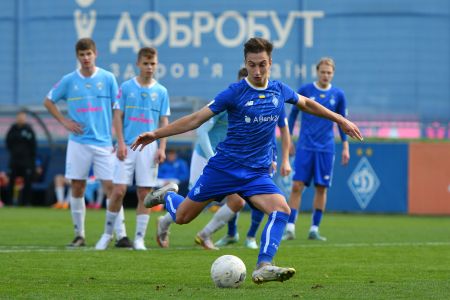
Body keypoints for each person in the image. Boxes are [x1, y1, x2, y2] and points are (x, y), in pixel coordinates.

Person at [132, 37, 362, 284]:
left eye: (262, 64)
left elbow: (306, 103)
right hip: (224, 169)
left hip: (255, 174)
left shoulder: (279, 90)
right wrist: (155, 133)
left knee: (281, 209)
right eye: (252, 65)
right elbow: (196, 119)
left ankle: (264, 265)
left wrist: (340, 119)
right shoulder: (234, 93)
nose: (257, 71)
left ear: (270, 62)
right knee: (182, 218)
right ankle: (168, 195)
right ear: (246, 63)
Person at [43, 38, 129, 247]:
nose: (86, 58)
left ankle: (121, 235)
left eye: (89, 54)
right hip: (78, 143)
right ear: (77, 57)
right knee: (78, 186)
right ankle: (79, 235)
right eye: (82, 55)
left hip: (103, 142)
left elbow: (118, 110)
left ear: (95, 54)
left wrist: (119, 140)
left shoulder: (108, 78)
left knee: (112, 187)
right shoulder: (69, 80)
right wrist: (64, 121)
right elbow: (48, 100)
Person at [95, 47, 170, 251]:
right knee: (118, 191)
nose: (149, 67)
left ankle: (139, 239)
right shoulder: (126, 87)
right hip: (128, 145)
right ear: (138, 64)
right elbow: (117, 116)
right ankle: (107, 234)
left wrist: (162, 147)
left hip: (149, 147)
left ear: (157, 65)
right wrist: (119, 142)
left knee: (144, 194)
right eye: (145, 63)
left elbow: (164, 121)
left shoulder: (161, 91)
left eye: (153, 63)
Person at [283, 57, 350, 242]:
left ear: (333, 74)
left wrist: (345, 146)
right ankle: (290, 227)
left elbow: (342, 121)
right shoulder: (305, 90)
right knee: (297, 185)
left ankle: (314, 228)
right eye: (323, 72)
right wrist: (288, 141)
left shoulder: (338, 94)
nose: (326, 75)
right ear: (317, 72)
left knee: (321, 188)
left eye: (329, 72)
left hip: (326, 148)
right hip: (305, 146)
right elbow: (293, 114)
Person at [5, 110, 37, 206]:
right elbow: (8, 143)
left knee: (27, 182)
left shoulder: (29, 129)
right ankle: (9, 202)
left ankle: (26, 202)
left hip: (26, 161)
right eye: (19, 117)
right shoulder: (12, 129)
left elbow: (33, 146)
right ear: (17, 118)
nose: (21, 119)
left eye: (23, 117)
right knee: (11, 181)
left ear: (25, 118)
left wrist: (32, 162)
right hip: (14, 160)